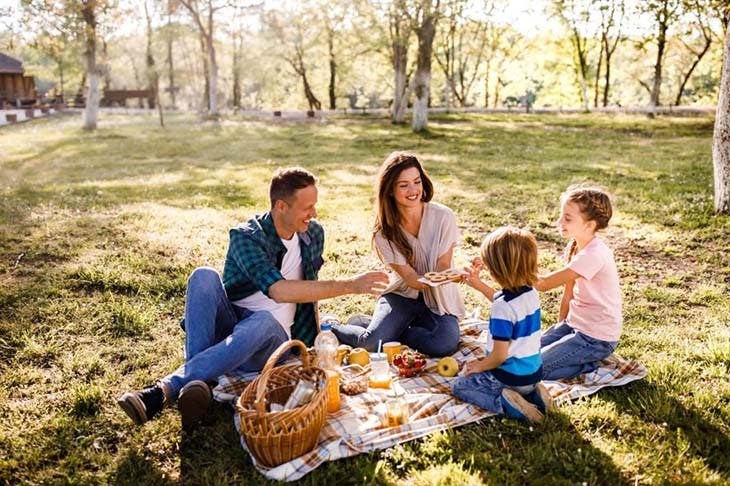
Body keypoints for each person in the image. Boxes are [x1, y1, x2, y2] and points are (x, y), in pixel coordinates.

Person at [117, 167, 389, 429]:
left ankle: (165, 389)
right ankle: (199, 385)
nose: (314, 213)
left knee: (262, 320)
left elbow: (309, 289)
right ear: (281, 206)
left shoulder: (313, 234)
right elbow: (279, 290)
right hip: (232, 330)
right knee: (203, 276)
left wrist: (315, 341)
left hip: (272, 342)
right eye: (307, 207)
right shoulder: (247, 237)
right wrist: (351, 285)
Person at [331, 152, 462, 357]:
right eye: (403, 185)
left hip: (438, 300)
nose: (413, 190)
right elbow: (410, 279)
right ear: (390, 190)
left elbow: (443, 263)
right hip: (402, 295)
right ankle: (331, 326)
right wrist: (433, 280)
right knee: (371, 344)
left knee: (444, 345)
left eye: (416, 182)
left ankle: (391, 333)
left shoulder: (443, 216)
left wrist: (451, 275)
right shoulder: (385, 232)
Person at [451, 227, 552, 423]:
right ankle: (535, 395)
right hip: (532, 376)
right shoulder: (530, 293)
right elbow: (502, 301)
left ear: (497, 269)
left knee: (460, 386)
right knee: (522, 384)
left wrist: (479, 366)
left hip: (508, 378)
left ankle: (506, 402)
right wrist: (477, 284)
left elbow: (499, 356)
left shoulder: (501, 308)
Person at [535, 185, 621, 381]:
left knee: (532, 371)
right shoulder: (574, 247)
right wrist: (560, 329)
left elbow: (543, 284)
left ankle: (590, 363)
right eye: (561, 215)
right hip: (574, 326)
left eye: (568, 218)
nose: (560, 221)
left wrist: (510, 264)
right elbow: (569, 294)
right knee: (523, 355)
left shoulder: (593, 255)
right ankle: (576, 356)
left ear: (589, 225)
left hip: (596, 338)